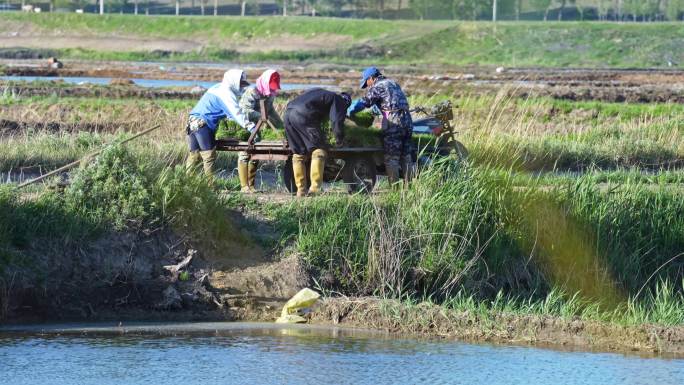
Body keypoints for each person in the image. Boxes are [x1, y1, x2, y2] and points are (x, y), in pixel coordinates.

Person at [347, 66, 414, 184]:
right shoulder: (393, 83)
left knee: (392, 158)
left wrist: (350, 111)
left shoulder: (378, 86)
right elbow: (389, 101)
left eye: (367, 83)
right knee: (406, 156)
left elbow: (365, 102)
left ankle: (395, 189)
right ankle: (410, 188)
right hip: (407, 120)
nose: (368, 86)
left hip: (394, 121)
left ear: (372, 78)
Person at [186, 69, 254, 181]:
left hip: (192, 122)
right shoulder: (226, 93)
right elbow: (236, 113)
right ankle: (210, 186)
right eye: (240, 83)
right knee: (208, 156)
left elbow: (228, 113)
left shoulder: (217, 87)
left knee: (194, 155)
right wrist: (250, 127)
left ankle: (188, 182)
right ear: (234, 81)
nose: (241, 86)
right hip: (203, 124)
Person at [283, 88, 351, 197]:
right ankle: (315, 190)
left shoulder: (321, 93)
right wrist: (339, 139)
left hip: (288, 114)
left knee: (299, 153)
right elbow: (336, 121)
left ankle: (300, 190)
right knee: (319, 151)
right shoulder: (339, 100)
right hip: (303, 115)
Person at [238, 69, 284, 193]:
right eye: (270, 86)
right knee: (245, 153)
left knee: (255, 155)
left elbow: (271, 110)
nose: (272, 89)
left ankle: (251, 186)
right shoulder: (252, 92)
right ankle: (244, 187)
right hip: (247, 126)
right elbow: (244, 110)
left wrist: (281, 125)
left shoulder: (270, 94)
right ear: (264, 82)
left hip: (260, 128)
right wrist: (261, 116)